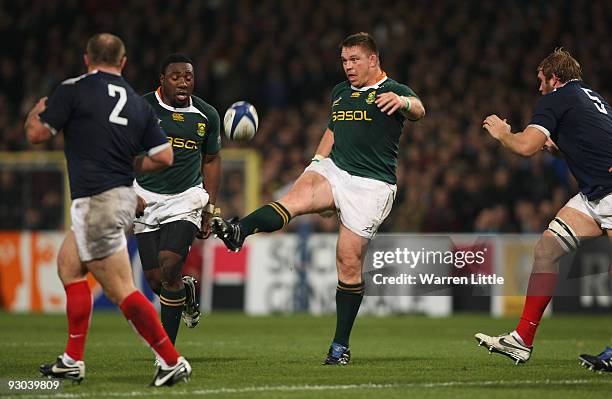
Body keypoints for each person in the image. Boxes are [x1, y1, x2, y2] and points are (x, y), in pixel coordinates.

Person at [212, 32, 425, 365]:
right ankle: (240, 230)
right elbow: (333, 130)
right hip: (335, 169)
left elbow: (419, 109)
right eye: (344, 60)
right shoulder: (340, 93)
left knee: (348, 261)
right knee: (296, 196)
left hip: (372, 186)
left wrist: (404, 103)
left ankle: (340, 345)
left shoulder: (393, 90)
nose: (348, 67)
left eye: (354, 60)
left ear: (373, 59)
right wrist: (315, 164)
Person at [24, 33, 191, 386]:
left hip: (97, 201)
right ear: (123, 62)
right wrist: (125, 167)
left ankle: (172, 361)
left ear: (87, 59)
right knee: (69, 266)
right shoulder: (136, 102)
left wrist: (37, 110)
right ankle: (72, 359)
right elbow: (164, 156)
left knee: (121, 291)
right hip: (116, 197)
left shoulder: (73, 89)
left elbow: (38, 135)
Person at [475, 48, 612, 364]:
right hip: (594, 195)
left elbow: (525, 147)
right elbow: (595, 145)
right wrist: (562, 151)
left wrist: (504, 134)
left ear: (554, 78)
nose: (539, 88)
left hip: (607, 192)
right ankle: (522, 339)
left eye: (541, 80)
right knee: (547, 250)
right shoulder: (592, 97)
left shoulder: (556, 99)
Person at [133, 53, 221, 347]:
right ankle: (186, 291)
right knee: (157, 281)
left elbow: (211, 160)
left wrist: (210, 207)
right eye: (176, 77)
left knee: (169, 265)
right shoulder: (142, 109)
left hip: (186, 198)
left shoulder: (206, 115)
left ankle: (165, 353)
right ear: (162, 80)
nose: (184, 83)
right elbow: (123, 152)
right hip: (145, 197)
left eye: (188, 77)